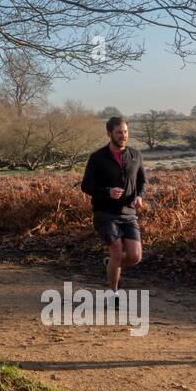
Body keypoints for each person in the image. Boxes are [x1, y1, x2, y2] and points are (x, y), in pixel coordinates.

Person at [80, 116, 146, 290]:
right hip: (105, 213)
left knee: (134, 257)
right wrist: (107, 192)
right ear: (109, 133)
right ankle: (113, 293)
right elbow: (86, 185)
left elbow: (142, 182)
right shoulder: (97, 157)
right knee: (116, 249)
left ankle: (111, 264)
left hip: (129, 213)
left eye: (125, 132)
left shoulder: (135, 155)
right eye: (118, 132)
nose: (123, 135)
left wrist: (140, 196)